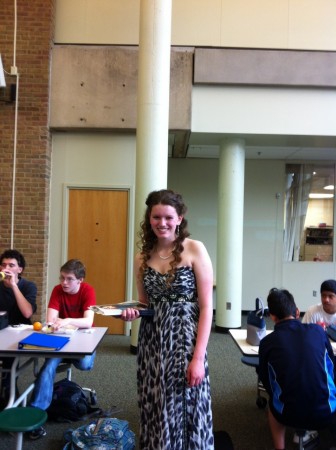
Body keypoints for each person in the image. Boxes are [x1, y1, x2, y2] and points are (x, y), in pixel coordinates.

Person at [121, 189, 214, 449]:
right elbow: (144, 304)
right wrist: (131, 312)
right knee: (157, 401)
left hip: (185, 340)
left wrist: (197, 358)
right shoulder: (142, 256)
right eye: (156, 217)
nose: (162, 223)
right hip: (152, 340)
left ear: (180, 219)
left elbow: (207, 307)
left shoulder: (194, 249)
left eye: (168, 217)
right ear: (149, 219)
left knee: (187, 401)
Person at [259, 288, 336, 450]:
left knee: (273, 407)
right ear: (297, 311)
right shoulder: (318, 331)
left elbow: (266, 380)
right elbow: (332, 365)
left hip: (287, 415)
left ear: (272, 317)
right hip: (327, 413)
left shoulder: (267, 342)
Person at [28, 259, 96, 440]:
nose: (64, 282)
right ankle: (36, 414)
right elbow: (50, 319)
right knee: (48, 366)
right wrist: (55, 324)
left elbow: (88, 321)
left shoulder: (87, 290)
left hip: (83, 338)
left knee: (85, 364)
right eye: (62, 278)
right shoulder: (58, 290)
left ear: (80, 280)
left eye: (69, 279)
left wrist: (66, 321)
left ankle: (70, 357)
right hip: (61, 340)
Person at [0, 249, 37, 407]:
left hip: (19, 333)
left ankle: (9, 393)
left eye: (11, 265)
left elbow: (27, 312)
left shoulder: (28, 286)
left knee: (9, 363)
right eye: (3, 265)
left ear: (19, 270)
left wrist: (14, 286)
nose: (6, 268)